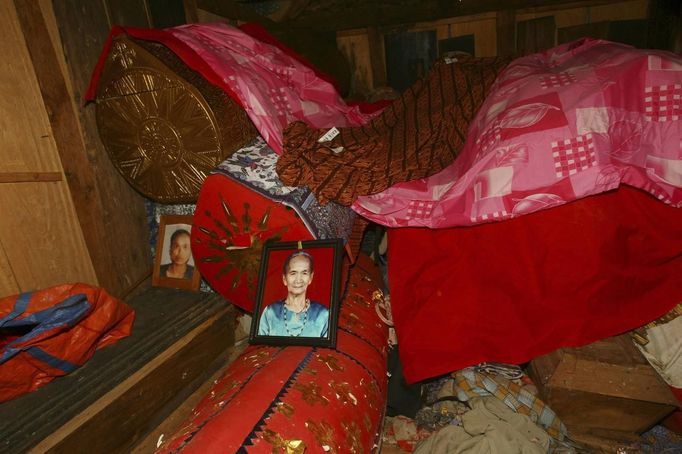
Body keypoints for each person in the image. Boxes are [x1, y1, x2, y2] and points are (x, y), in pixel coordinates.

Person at [258, 250, 329, 337]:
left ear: (310, 278)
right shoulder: (271, 312)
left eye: (304, 273)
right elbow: (260, 348)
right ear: (284, 279)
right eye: (293, 273)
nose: (298, 279)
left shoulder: (322, 314)